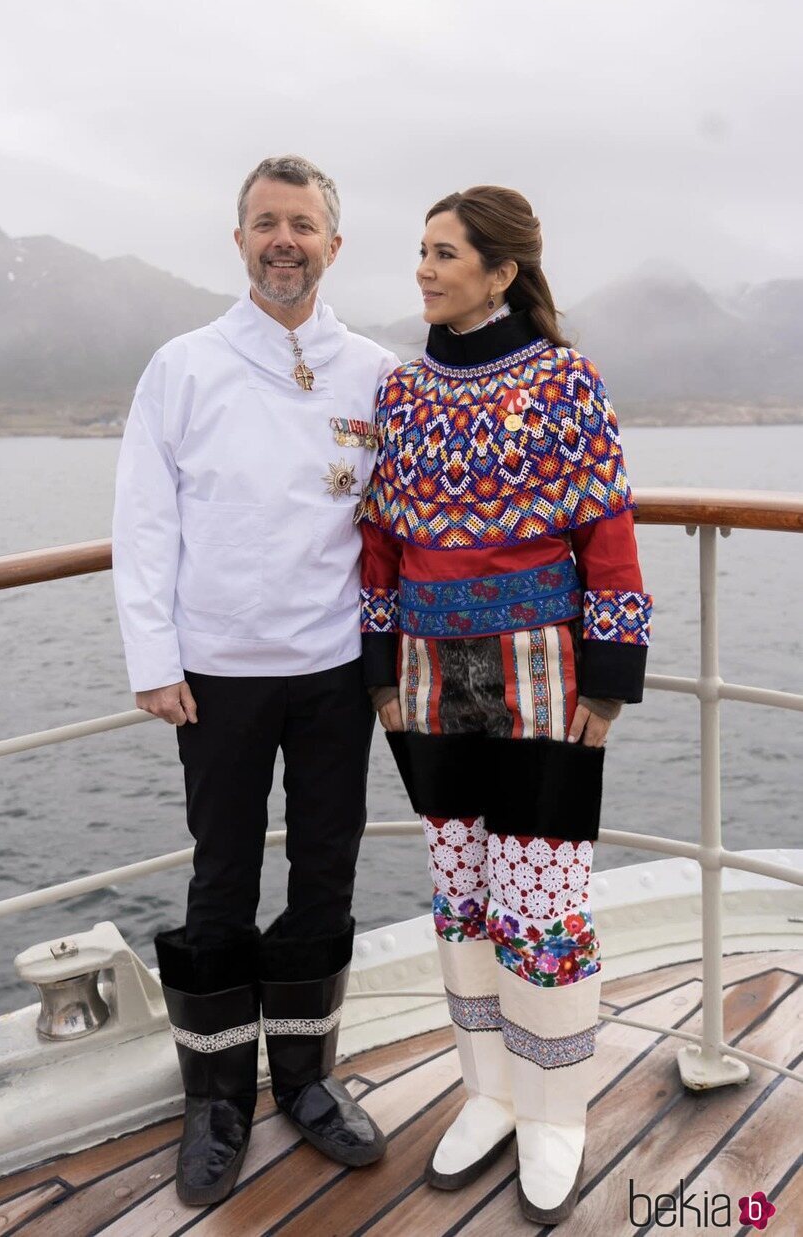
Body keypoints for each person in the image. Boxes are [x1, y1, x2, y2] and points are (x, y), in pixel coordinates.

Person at [359, 186, 651, 1225]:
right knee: (460, 890)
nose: (424, 270)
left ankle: (553, 1107)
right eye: (421, 252)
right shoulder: (399, 393)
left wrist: (610, 680)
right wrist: (380, 674)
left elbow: (606, 533)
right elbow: (381, 546)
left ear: (500, 271)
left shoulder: (567, 381)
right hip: (432, 676)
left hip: (542, 674)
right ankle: (486, 1089)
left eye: (443, 254)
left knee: (543, 898)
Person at [112, 155, 396, 1206]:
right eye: (266, 223)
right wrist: (153, 657)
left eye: (303, 224)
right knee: (220, 878)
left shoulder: (373, 369)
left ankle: (308, 1082)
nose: (284, 239)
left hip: (331, 668)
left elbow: (403, 518)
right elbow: (143, 521)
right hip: (216, 670)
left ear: (332, 243)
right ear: (238, 240)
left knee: (325, 871)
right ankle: (217, 1098)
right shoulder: (182, 365)